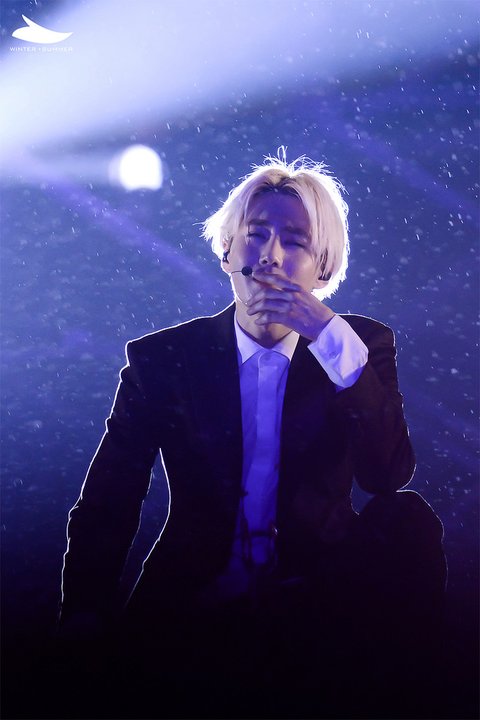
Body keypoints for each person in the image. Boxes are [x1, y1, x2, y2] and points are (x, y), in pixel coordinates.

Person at [59, 152, 447, 719]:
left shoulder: (359, 346)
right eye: (256, 234)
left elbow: (386, 474)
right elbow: (109, 497)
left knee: (409, 518)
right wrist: (82, 614)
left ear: (323, 269)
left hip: (319, 596)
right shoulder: (164, 360)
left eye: (295, 240)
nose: (270, 255)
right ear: (228, 251)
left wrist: (328, 337)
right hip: (199, 595)